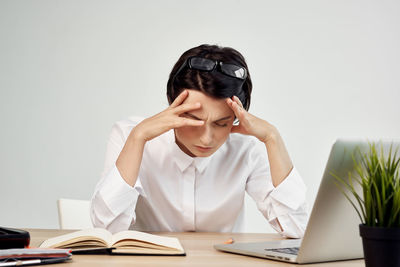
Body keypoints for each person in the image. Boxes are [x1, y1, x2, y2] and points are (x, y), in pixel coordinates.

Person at [90, 44, 308, 238]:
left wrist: (273, 138)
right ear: (171, 102)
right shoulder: (131, 135)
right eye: (194, 120)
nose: (207, 138)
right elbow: (108, 230)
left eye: (222, 124)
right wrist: (138, 138)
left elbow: (296, 227)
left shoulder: (246, 148)